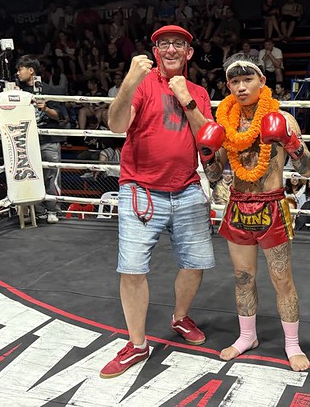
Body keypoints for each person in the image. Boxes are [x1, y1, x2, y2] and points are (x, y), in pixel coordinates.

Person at [100, 25, 216, 379]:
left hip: (187, 188)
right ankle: (137, 344)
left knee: (195, 262)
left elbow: (209, 144)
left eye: (178, 44)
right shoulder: (141, 83)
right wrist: (128, 82)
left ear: (189, 53)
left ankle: (180, 318)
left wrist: (187, 99)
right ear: (154, 51)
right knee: (132, 268)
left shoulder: (197, 91)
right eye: (163, 43)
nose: (170, 49)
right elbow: (116, 126)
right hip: (140, 189)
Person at [200, 53, 310, 372]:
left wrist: (292, 143)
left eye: (247, 79)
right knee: (242, 278)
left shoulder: (284, 118)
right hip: (238, 204)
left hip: (272, 204)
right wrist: (207, 154)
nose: (240, 87)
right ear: (227, 86)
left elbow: (307, 169)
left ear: (262, 81)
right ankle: (246, 336)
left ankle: (292, 344)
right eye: (234, 81)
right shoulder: (225, 123)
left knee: (282, 279)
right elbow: (213, 176)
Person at [16, 54, 69, 224]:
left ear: (31, 71)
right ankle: (39, 211)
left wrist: (45, 108)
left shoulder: (50, 90)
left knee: (51, 176)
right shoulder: (19, 92)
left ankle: (53, 210)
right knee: (33, 175)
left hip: (49, 139)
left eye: (20, 69)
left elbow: (60, 116)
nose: (18, 73)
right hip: (28, 140)